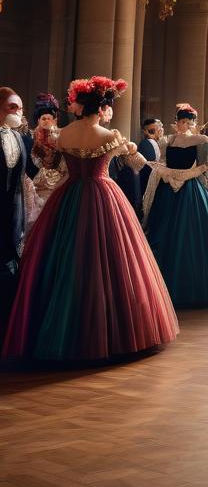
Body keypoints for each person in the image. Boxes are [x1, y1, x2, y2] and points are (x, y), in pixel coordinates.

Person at [3, 77, 178, 362]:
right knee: (112, 263)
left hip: (69, 195)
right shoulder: (111, 136)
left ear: (81, 107)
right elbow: (135, 165)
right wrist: (132, 149)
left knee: (63, 259)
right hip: (103, 193)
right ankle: (114, 332)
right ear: (101, 109)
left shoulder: (63, 135)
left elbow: (52, 166)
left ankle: (58, 328)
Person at [144, 103, 208, 307]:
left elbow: (205, 167)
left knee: (191, 235)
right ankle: (159, 287)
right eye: (182, 121)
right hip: (168, 189)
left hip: (190, 191)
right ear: (177, 122)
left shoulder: (201, 139)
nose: (186, 125)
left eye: (190, 121)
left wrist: (185, 175)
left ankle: (193, 286)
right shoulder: (167, 140)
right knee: (164, 232)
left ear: (194, 123)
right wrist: (166, 173)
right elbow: (162, 161)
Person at [0, 87, 31, 328]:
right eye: (13, 107)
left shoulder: (18, 137)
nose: (19, 112)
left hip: (14, 211)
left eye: (20, 108)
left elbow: (22, 175)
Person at [27, 93, 67, 231]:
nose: (46, 121)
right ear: (38, 120)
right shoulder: (31, 136)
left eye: (49, 118)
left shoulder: (61, 135)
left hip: (57, 182)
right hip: (35, 183)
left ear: (55, 120)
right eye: (42, 118)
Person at [136, 117, 162, 208]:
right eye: (151, 131)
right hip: (149, 186)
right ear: (145, 132)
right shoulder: (146, 143)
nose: (156, 133)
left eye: (157, 129)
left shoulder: (159, 142)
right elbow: (149, 168)